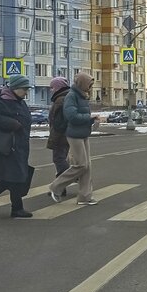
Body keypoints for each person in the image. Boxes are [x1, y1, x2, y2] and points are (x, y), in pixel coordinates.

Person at [0, 75, 35, 218]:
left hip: (20, 145)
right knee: (15, 177)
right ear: (15, 88)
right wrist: (11, 123)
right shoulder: (3, 102)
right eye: (24, 89)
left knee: (14, 177)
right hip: (9, 146)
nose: (26, 92)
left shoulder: (20, 102)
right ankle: (16, 208)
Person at [47, 72, 99, 204]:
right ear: (82, 83)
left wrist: (92, 120)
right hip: (74, 135)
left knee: (87, 167)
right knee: (81, 165)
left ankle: (85, 197)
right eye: (89, 85)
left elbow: (81, 117)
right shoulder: (71, 96)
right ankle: (56, 186)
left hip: (83, 134)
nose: (90, 88)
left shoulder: (83, 96)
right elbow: (72, 116)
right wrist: (89, 118)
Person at [46, 76, 71, 195]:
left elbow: (59, 121)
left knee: (59, 159)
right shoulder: (65, 97)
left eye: (52, 87)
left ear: (58, 87)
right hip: (64, 134)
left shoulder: (60, 99)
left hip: (60, 135)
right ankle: (61, 188)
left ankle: (74, 176)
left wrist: (55, 135)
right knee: (61, 159)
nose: (51, 90)